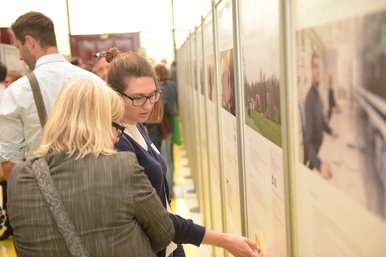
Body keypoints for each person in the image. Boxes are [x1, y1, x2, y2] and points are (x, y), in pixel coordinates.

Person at [105, 48, 261, 257]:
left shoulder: (136, 124)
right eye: (138, 98)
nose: (148, 104)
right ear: (114, 94)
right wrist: (225, 240)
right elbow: (156, 218)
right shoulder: (117, 143)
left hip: (169, 244)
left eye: (152, 95)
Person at [7, 79, 175, 257]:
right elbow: (164, 233)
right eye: (117, 126)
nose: (118, 137)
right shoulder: (122, 167)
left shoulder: (19, 177)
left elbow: (23, 246)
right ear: (98, 124)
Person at [0, 11, 104, 180]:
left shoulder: (17, 91)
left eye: (18, 47)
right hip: (95, 186)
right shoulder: (96, 82)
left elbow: (10, 161)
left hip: (44, 192)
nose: (19, 56)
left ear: (30, 41)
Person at [304, 52, 337, 179]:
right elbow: (308, 141)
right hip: (317, 155)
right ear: (310, 70)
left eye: (319, 66)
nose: (318, 70)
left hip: (324, 147)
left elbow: (322, 122)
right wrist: (319, 164)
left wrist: (330, 131)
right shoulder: (309, 98)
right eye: (315, 66)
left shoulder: (318, 95)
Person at [154, 63, 178, 195]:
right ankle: (171, 185)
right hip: (169, 126)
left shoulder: (163, 89)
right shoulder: (172, 85)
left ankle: (169, 189)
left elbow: (166, 109)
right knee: (169, 155)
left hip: (164, 127)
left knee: (165, 157)